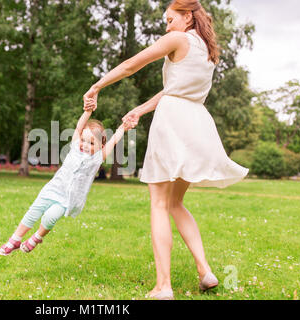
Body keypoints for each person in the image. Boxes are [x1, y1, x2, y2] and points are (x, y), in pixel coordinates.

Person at [83, 0, 249, 300]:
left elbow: (131, 65)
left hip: (173, 121)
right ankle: (205, 272)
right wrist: (141, 110)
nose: (167, 25)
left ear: (187, 17)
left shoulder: (178, 39)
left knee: (159, 203)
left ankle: (163, 287)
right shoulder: (207, 51)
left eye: (170, 19)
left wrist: (97, 86)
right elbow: (175, 88)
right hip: (197, 123)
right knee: (175, 203)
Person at [0, 105, 130, 256]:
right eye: (83, 140)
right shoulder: (74, 147)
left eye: (92, 143)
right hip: (53, 188)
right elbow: (79, 127)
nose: (85, 145)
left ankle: (36, 238)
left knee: (50, 217)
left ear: (101, 146)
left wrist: (123, 127)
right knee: (33, 212)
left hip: (68, 199)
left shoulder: (97, 158)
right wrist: (88, 111)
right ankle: (15, 239)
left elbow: (113, 141)